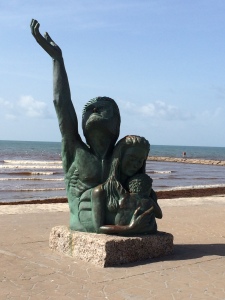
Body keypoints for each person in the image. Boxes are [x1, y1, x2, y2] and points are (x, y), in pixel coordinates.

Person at [30, 19, 121, 231]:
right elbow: (61, 103)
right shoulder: (75, 148)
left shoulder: (121, 155)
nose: (95, 109)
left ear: (117, 121)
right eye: (89, 108)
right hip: (83, 220)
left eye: (102, 107)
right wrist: (57, 60)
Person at [91, 135, 162, 235]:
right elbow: (98, 228)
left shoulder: (148, 193)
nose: (135, 164)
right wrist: (131, 228)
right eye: (131, 158)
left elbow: (157, 215)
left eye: (140, 160)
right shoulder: (101, 192)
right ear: (119, 157)